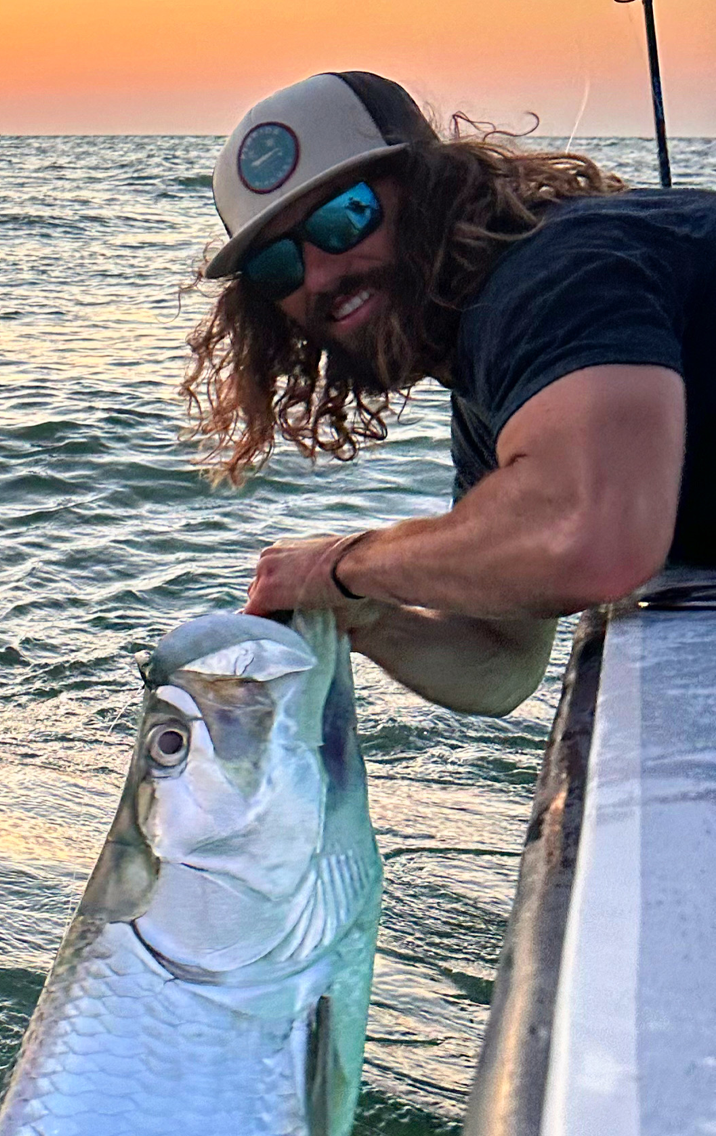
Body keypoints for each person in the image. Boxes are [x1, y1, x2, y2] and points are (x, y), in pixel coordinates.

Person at [183, 71, 715, 714]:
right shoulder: (489, 390)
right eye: (278, 266)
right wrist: (366, 616)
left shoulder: (559, 275)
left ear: (430, 185)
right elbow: (504, 669)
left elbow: (595, 540)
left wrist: (341, 565)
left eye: (344, 217)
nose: (320, 274)